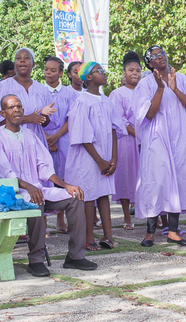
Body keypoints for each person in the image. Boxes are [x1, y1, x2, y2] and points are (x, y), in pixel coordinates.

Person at [0, 94, 97, 276]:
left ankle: (75, 256)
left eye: (19, 106)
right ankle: (36, 259)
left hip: (38, 189)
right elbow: (5, 171)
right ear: (3, 112)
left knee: (75, 198)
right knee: (36, 199)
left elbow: (44, 167)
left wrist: (66, 185)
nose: (17, 110)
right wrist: (29, 187)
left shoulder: (29, 135)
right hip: (14, 194)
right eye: (12, 107)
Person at [132, 45, 186, 247]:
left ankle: (173, 231)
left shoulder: (183, 79)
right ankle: (150, 233)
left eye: (162, 53)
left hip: (180, 138)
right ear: (149, 62)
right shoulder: (145, 84)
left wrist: (174, 88)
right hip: (156, 138)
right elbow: (149, 114)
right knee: (156, 181)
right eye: (154, 56)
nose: (160, 57)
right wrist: (161, 88)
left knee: (177, 181)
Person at [65, 62, 127, 251]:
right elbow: (82, 135)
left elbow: (114, 129)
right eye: (99, 71)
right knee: (89, 195)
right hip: (88, 158)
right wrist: (99, 160)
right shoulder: (82, 101)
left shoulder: (106, 100)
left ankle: (108, 236)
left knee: (103, 195)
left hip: (105, 157)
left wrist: (113, 158)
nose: (104, 73)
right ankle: (88, 237)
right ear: (88, 78)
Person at [0, 48, 57, 149]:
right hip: (9, 144)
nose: (22, 60)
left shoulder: (42, 90)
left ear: (34, 64)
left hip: (36, 143)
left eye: (26, 58)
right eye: (18, 58)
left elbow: (49, 124)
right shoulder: (1, 88)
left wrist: (44, 116)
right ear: (15, 64)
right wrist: (27, 118)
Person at [43, 56, 80, 233]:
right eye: (46, 69)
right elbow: (36, 116)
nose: (48, 73)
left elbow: (71, 118)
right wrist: (47, 139)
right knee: (43, 177)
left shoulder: (69, 93)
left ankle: (61, 221)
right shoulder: (39, 91)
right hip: (41, 137)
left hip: (63, 137)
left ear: (60, 73)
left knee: (64, 176)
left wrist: (56, 137)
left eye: (52, 70)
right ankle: (42, 223)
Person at [109, 51, 141, 231]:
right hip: (127, 141)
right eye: (131, 70)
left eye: (138, 70)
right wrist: (136, 134)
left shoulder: (147, 91)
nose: (135, 73)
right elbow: (119, 119)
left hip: (146, 140)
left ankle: (154, 215)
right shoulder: (117, 93)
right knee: (127, 177)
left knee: (145, 177)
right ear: (124, 73)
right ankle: (127, 217)